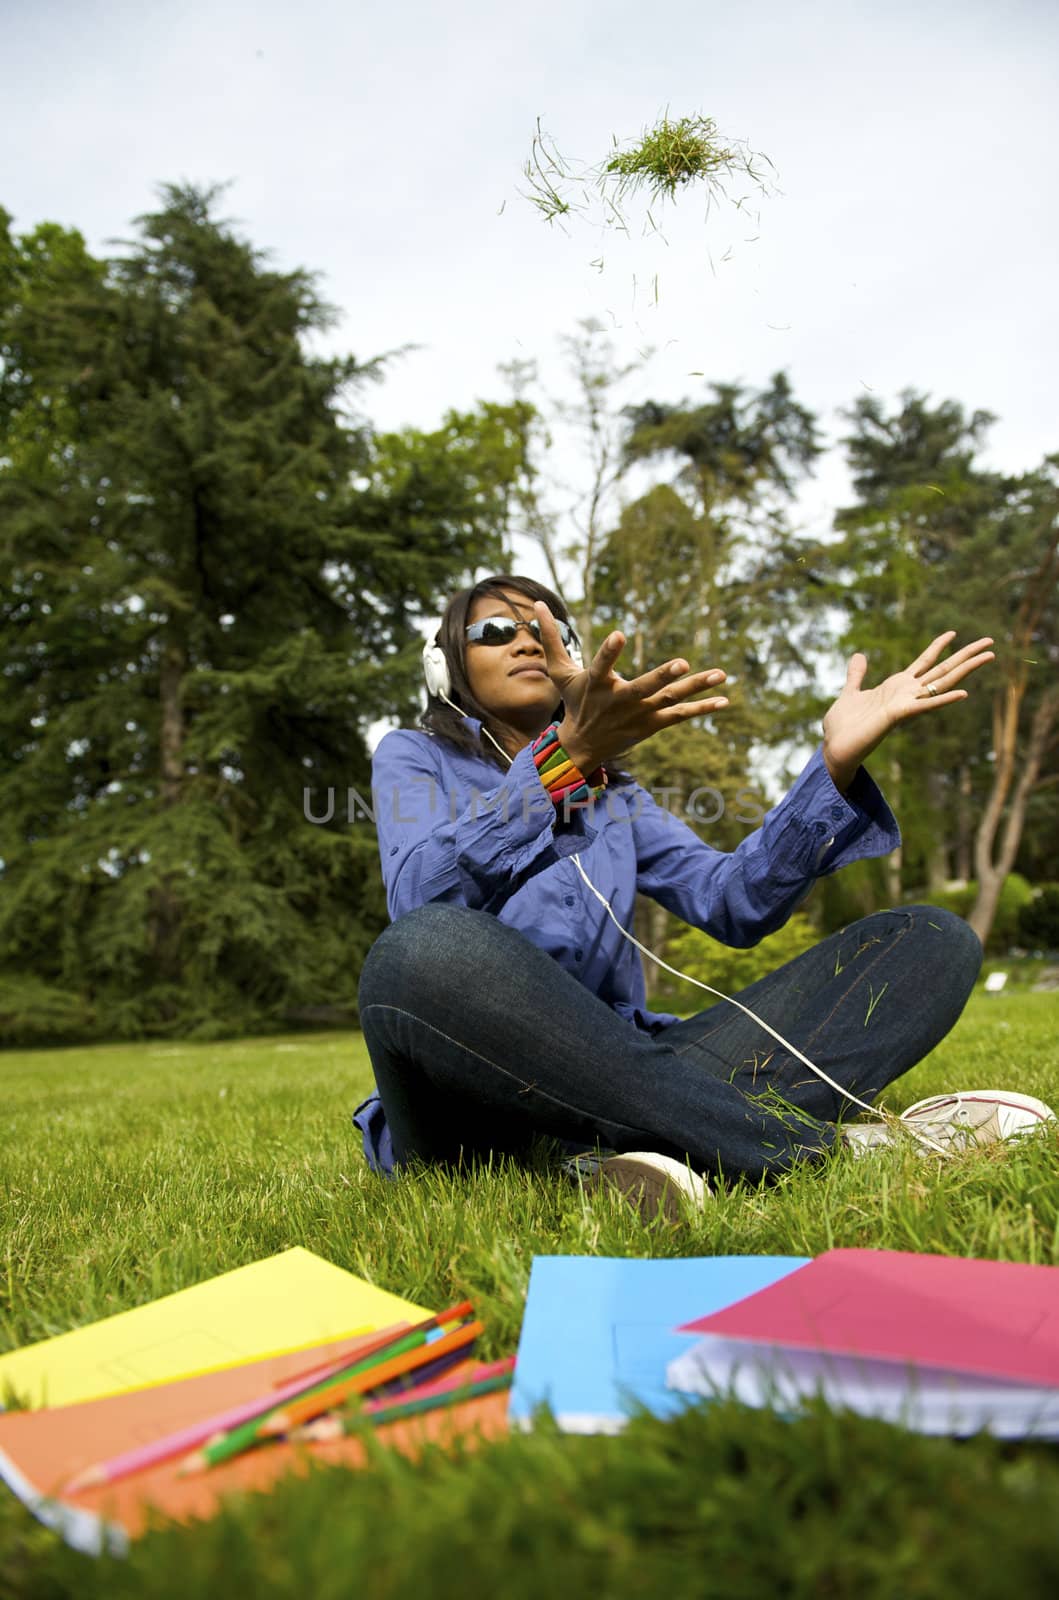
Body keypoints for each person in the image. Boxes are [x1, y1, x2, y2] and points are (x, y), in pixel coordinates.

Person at [353, 574, 1053, 1220]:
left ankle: (641, 1149)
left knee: (929, 941)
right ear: (445, 664)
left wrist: (833, 768)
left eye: (544, 625)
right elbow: (421, 895)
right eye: (495, 632)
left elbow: (733, 901)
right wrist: (558, 763)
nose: (528, 639)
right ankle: (818, 1148)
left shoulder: (616, 795)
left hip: (626, 1072)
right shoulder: (411, 755)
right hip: (473, 1114)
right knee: (421, 950)